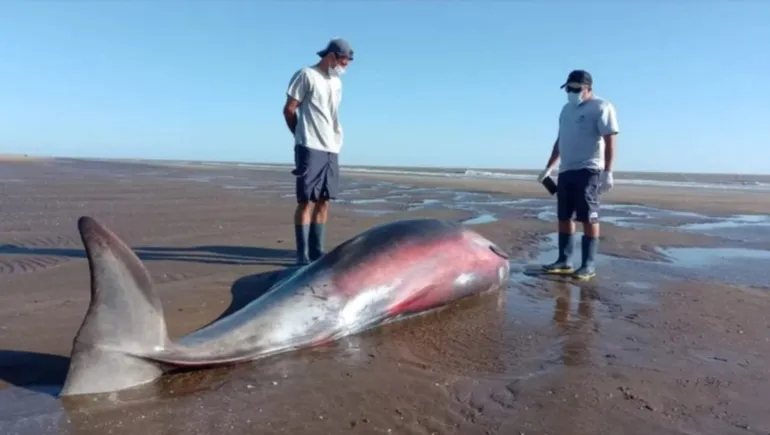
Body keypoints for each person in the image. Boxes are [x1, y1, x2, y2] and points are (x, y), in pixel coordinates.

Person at [537, 70, 619, 280]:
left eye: (576, 89)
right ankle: (564, 261)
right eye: (569, 89)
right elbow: (560, 140)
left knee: (588, 217)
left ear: (588, 88)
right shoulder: (566, 110)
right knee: (564, 215)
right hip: (567, 169)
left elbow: (610, 139)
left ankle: (588, 264)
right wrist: (549, 167)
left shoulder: (601, 106)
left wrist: (608, 171)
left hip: (589, 169)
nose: (571, 92)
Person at [282, 38, 354, 265]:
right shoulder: (306, 75)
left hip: (331, 147)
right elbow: (289, 109)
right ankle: (302, 256)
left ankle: (317, 252)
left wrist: (335, 139)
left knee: (324, 200)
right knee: (306, 201)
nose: (345, 66)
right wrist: (300, 136)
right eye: (343, 61)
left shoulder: (337, 83)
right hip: (310, 145)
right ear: (331, 56)